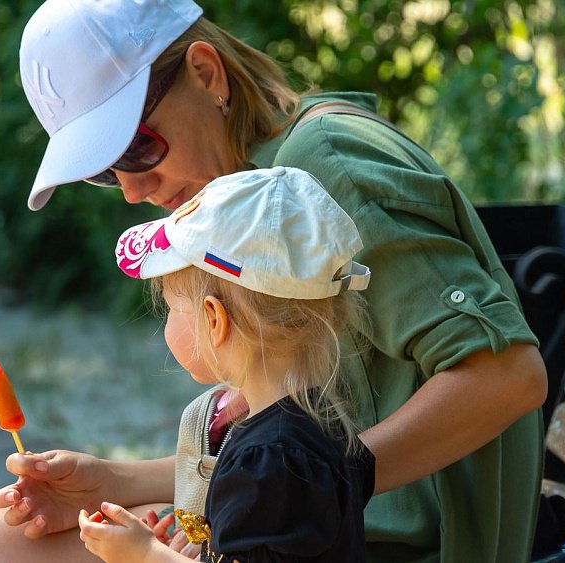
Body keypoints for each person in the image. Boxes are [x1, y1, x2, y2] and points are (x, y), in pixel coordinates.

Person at [0, 0, 548, 561]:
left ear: (207, 73)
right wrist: (117, 481)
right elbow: (298, 448)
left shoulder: (322, 167)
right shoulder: (265, 188)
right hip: (336, 531)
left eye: (136, 148)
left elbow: (508, 375)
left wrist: (301, 499)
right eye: (105, 171)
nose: (132, 189)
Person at [79, 166, 375, 562]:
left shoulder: (271, 460)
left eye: (171, 307)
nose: (166, 320)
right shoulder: (319, 427)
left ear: (215, 320)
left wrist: (145, 555)